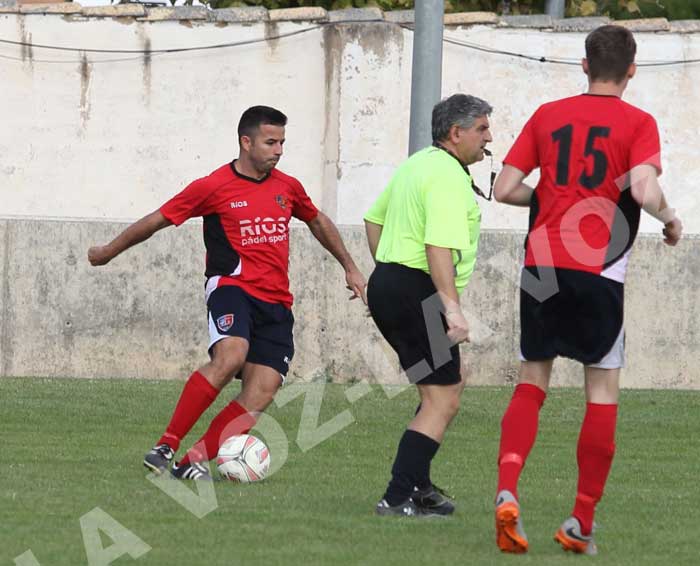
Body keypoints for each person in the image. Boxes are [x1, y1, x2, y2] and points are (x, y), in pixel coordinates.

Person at [88, 105, 367, 480]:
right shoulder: (213, 186)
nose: (278, 150)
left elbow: (316, 219)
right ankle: (166, 444)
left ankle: (191, 462)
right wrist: (109, 251)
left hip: (277, 302)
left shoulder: (288, 187)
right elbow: (157, 219)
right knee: (231, 355)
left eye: (282, 142)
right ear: (246, 142)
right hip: (231, 288)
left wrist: (349, 266)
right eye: (270, 142)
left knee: (263, 389)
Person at [492, 25, 683, 554]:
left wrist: (545, 198)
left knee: (532, 382)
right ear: (632, 70)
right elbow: (642, 188)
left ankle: (507, 489)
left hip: (542, 264)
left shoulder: (548, 115)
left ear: (584, 66)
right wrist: (669, 217)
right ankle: (580, 522)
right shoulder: (638, 122)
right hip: (600, 270)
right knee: (600, 393)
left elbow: (504, 188)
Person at [364, 94, 493, 516]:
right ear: (455, 133)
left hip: (394, 283)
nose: (489, 138)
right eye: (482, 129)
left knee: (447, 386)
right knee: (442, 399)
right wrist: (451, 308)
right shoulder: (447, 175)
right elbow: (437, 246)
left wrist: (386, 275)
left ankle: (418, 486)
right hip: (417, 290)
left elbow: (373, 219)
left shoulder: (417, 163)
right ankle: (397, 495)